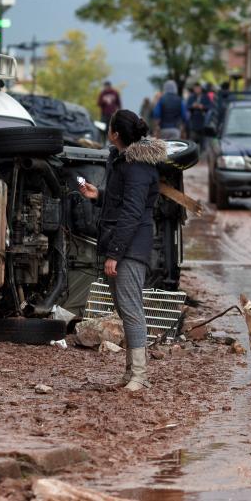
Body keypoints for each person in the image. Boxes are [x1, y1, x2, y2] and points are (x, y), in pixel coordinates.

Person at [78, 109, 166, 392]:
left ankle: (140, 376)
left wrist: (115, 253)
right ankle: (131, 373)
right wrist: (98, 196)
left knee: (131, 309)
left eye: (110, 128)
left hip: (130, 246)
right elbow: (120, 202)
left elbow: (132, 212)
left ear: (115, 133)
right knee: (125, 308)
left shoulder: (138, 166)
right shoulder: (121, 160)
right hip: (122, 243)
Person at [186, 82, 216, 150]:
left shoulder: (205, 97)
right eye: (195, 88)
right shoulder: (191, 97)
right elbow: (187, 106)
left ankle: (202, 155)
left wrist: (202, 107)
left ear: (200, 89)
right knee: (192, 143)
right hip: (193, 123)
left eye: (198, 88)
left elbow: (210, 106)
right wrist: (193, 106)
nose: (196, 90)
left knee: (203, 143)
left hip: (203, 123)